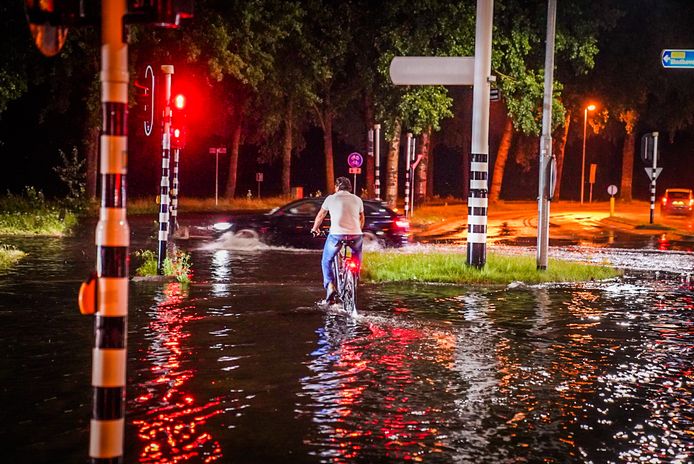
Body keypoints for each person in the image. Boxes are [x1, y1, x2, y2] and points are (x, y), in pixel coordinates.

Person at [311, 177, 364, 303]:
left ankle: (330, 285)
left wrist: (315, 228)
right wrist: (358, 229)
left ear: (337, 187)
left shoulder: (331, 198)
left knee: (326, 260)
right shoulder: (358, 199)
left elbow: (321, 215)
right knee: (356, 254)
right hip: (356, 234)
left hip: (337, 235)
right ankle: (356, 275)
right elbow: (361, 217)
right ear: (349, 188)